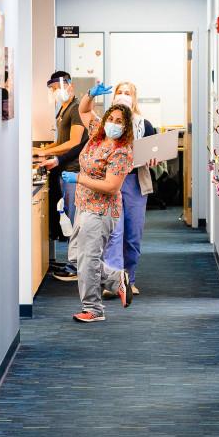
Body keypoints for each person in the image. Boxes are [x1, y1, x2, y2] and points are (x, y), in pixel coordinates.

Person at [61, 82, 135, 323]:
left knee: (88, 260)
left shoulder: (122, 151)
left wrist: (79, 178)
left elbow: (112, 186)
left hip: (102, 211)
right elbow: (83, 111)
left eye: (119, 121)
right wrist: (90, 95)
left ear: (126, 127)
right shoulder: (96, 136)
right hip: (84, 206)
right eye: (111, 118)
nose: (114, 123)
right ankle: (116, 279)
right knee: (76, 258)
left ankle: (93, 309)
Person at [102, 81, 157, 298]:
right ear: (113, 96)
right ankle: (114, 283)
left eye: (128, 93)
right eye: (120, 92)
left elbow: (155, 151)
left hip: (135, 182)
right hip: (112, 182)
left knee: (133, 235)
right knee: (114, 233)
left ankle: (129, 279)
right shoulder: (107, 124)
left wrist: (154, 159)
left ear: (134, 98)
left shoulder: (145, 124)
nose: (123, 96)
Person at [33, 71, 89, 281]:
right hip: (63, 169)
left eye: (56, 88)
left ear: (69, 86)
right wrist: (42, 151)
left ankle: (76, 266)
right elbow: (60, 141)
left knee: (76, 220)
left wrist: (47, 152)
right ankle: (73, 261)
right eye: (52, 90)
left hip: (74, 170)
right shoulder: (62, 110)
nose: (54, 93)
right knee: (68, 216)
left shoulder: (75, 109)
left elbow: (74, 142)